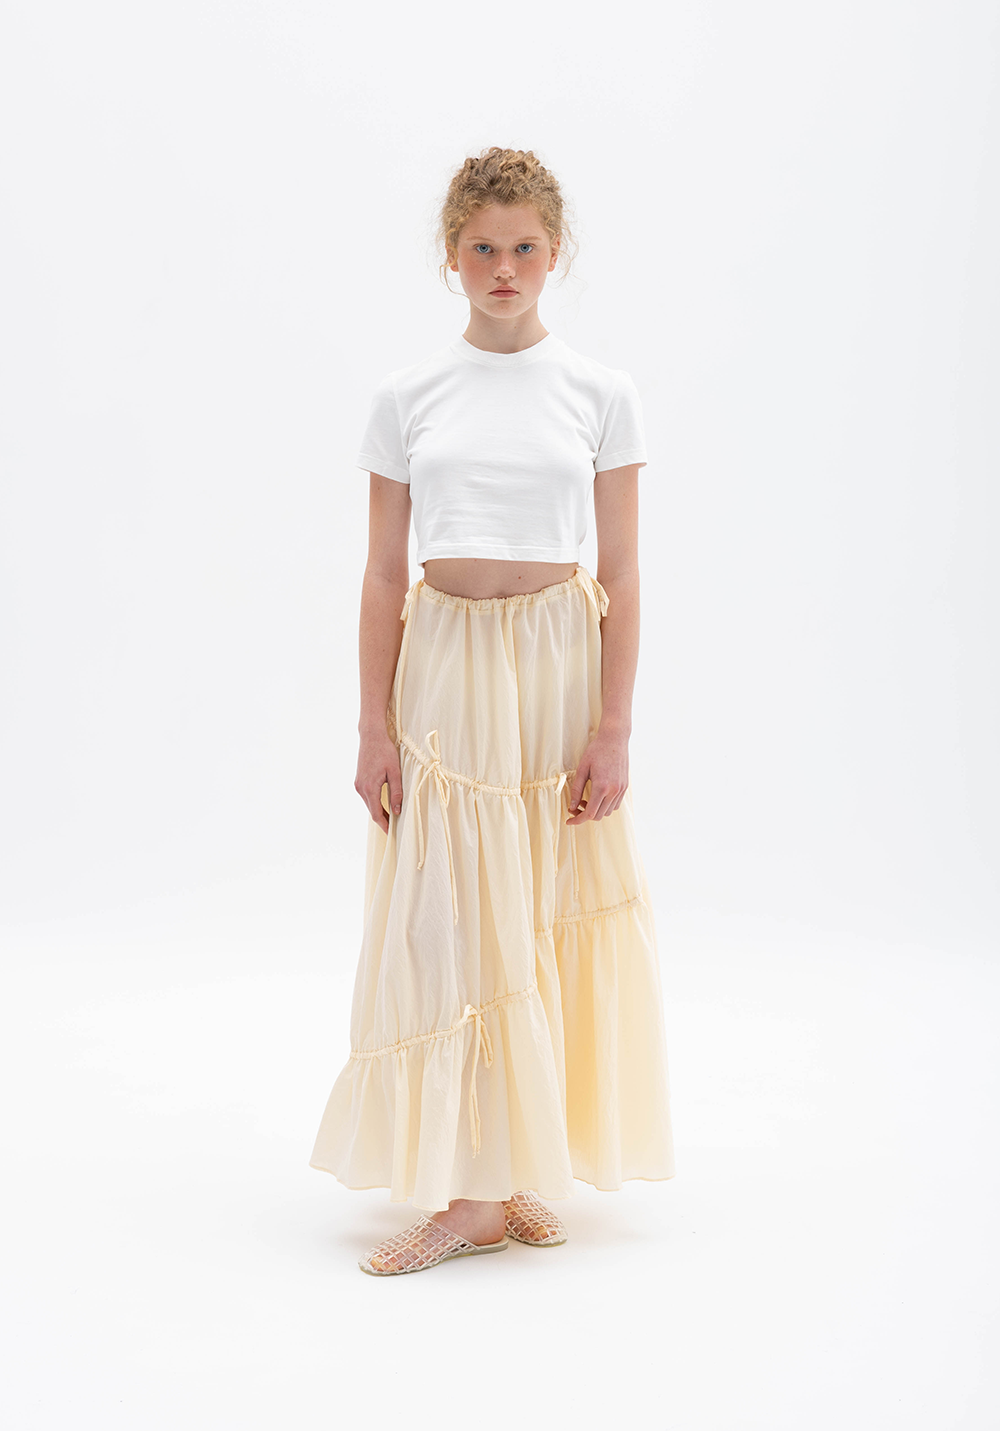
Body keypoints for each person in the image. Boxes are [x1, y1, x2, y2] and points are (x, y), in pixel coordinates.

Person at [309, 146, 675, 1276]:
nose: (503, 267)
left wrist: (613, 727)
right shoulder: (407, 395)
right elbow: (383, 572)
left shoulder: (600, 392)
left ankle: (506, 1173)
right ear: (451, 255)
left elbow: (623, 570)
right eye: (482, 247)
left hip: (557, 662)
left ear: (554, 254)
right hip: (447, 667)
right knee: (456, 912)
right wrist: (372, 726)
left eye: (523, 247)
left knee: (542, 906)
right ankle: (470, 1192)